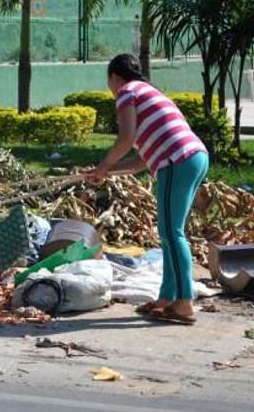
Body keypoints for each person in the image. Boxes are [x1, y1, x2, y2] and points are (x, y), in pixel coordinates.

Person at [87, 53, 209, 325]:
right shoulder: (150, 93)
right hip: (193, 156)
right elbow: (140, 161)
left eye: (109, 81)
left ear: (114, 77)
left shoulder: (127, 92)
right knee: (169, 233)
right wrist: (105, 171)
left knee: (172, 232)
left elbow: (126, 139)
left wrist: (105, 163)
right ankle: (167, 298)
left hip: (176, 160)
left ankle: (184, 302)